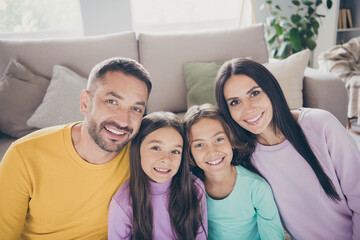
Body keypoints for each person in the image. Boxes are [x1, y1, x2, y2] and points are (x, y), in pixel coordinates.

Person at [0, 57, 152, 239]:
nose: (123, 121)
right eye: (112, 101)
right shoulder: (23, 155)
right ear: (85, 103)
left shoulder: (145, 154)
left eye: (136, 109)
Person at [215, 58, 360, 240]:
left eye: (254, 93)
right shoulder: (243, 155)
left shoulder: (321, 126)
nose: (248, 109)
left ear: (271, 90)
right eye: (235, 102)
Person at [183, 103, 284, 240]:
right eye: (199, 145)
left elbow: (273, 236)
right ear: (190, 152)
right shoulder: (189, 187)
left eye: (219, 139)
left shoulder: (256, 187)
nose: (212, 151)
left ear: (231, 140)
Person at [108, 111, 207, 240]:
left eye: (175, 151)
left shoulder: (195, 187)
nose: (166, 159)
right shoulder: (122, 203)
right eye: (156, 148)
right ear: (137, 149)